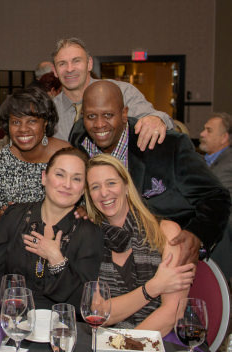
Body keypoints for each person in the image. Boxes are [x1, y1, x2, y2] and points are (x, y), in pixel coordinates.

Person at [69, 80, 230, 263]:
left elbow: (216, 197)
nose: (99, 124)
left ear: (124, 114)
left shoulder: (167, 146)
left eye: (108, 115)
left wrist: (197, 235)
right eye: (91, 116)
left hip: (167, 253)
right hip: (110, 254)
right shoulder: (79, 140)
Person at [0, 147, 104, 312]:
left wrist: (57, 260)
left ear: (84, 189)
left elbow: (84, 302)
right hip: (10, 320)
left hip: (61, 328)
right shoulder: (15, 216)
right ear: (44, 177)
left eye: (77, 179)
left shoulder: (89, 233)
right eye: (60, 174)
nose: (67, 184)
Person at [85, 154, 195, 335]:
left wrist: (126, 345)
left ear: (127, 186)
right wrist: (154, 287)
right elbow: (99, 312)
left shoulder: (166, 233)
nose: (104, 193)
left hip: (164, 341)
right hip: (109, 340)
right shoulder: (92, 238)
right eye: (95, 187)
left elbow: (172, 312)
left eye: (111, 183)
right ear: (90, 196)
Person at [51, 37, 174, 147]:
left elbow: (159, 119)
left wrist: (156, 119)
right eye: (62, 64)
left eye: (76, 61)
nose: (70, 69)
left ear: (89, 64)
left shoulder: (122, 92)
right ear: (55, 71)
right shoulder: (49, 109)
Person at [0, 87, 71, 223]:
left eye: (32, 121)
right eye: (16, 122)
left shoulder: (66, 156)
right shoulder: (1, 161)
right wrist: (6, 215)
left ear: (45, 122)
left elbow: (82, 205)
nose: (23, 129)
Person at [199, 112, 232, 279]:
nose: (202, 134)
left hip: (220, 242)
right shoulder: (204, 161)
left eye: (209, 130)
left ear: (224, 137)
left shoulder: (228, 163)